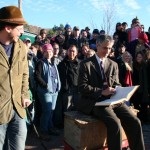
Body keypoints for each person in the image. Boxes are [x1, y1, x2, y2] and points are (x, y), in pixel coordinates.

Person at [77, 34, 145, 150]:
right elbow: (82, 87)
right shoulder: (85, 64)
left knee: (135, 122)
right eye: (105, 48)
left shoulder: (113, 64)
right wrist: (101, 92)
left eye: (110, 48)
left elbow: (116, 83)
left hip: (113, 100)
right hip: (95, 101)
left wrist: (120, 91)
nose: (107, 51)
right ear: (97, 45)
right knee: (115, 124)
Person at [0, 6, 31, 150]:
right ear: (7, 28)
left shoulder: (21, 47)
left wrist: (24, 95)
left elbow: (25, 74)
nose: (23, 32)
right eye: (19, 29)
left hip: (18, 109)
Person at [35, 43, 61, 136]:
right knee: (47, 111)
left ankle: (50, 128)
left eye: (50, 51)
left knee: (52, 111)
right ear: (43, 52)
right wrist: (45, 85)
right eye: (46, 51)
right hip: (45, 91)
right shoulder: (40, 62)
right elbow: (37, 76)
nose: (48, 53)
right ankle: (43, 131)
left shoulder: (54, 62)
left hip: (54, 91)